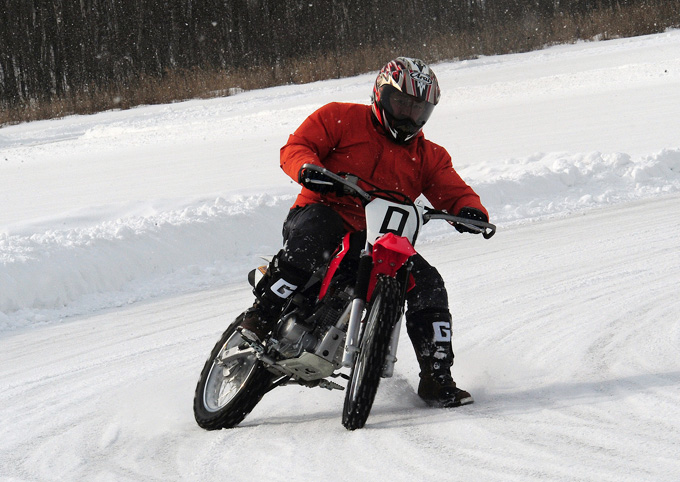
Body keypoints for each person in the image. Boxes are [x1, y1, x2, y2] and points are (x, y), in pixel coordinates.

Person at [239, 57, 489, 408]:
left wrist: (470, 210)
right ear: (381, 95)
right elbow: (295, 148)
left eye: (418, 109)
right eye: (401, 104)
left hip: (382, 242)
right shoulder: (339, 117)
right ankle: (261, 315)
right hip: (322, 214)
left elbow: (453, 190)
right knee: (317, 234)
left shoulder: (429, 155)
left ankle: (436, 377)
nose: (407, 116)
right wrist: (308, 169)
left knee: (429, 284)